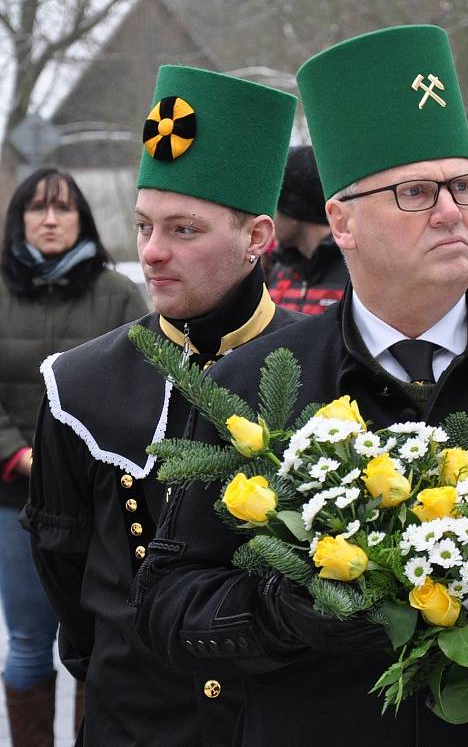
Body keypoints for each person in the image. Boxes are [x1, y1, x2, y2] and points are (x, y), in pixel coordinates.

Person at [133, 28, 468, 747]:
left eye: (463, 186)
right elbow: (165, 605)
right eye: (416, 192)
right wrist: (279, 612)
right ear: (342, 221)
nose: (453, 212)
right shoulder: (253, 389)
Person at [22, 66, 298, 746]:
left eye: (183, 230)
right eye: (144, 225)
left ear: (257, 238)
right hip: (135, 717)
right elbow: (66, 569)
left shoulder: (326, 371)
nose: (151, 253)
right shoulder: (79, 386)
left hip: (281, 717)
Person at [0, 166, 147, 746]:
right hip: (14, 499)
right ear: (20, 220)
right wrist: (17, 456)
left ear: (83, 217)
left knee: (98, 641)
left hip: (101, 500)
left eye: (64, 208)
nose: (52, 219)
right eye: (38, 208)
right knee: (30, 641)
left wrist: (84, 462)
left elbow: (141, 381)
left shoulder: (117, 294)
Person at [267, 144, 348, 313]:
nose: (270, 218)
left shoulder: (355, 273)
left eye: (275, 206)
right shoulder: (280, 269)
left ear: (294, 211)